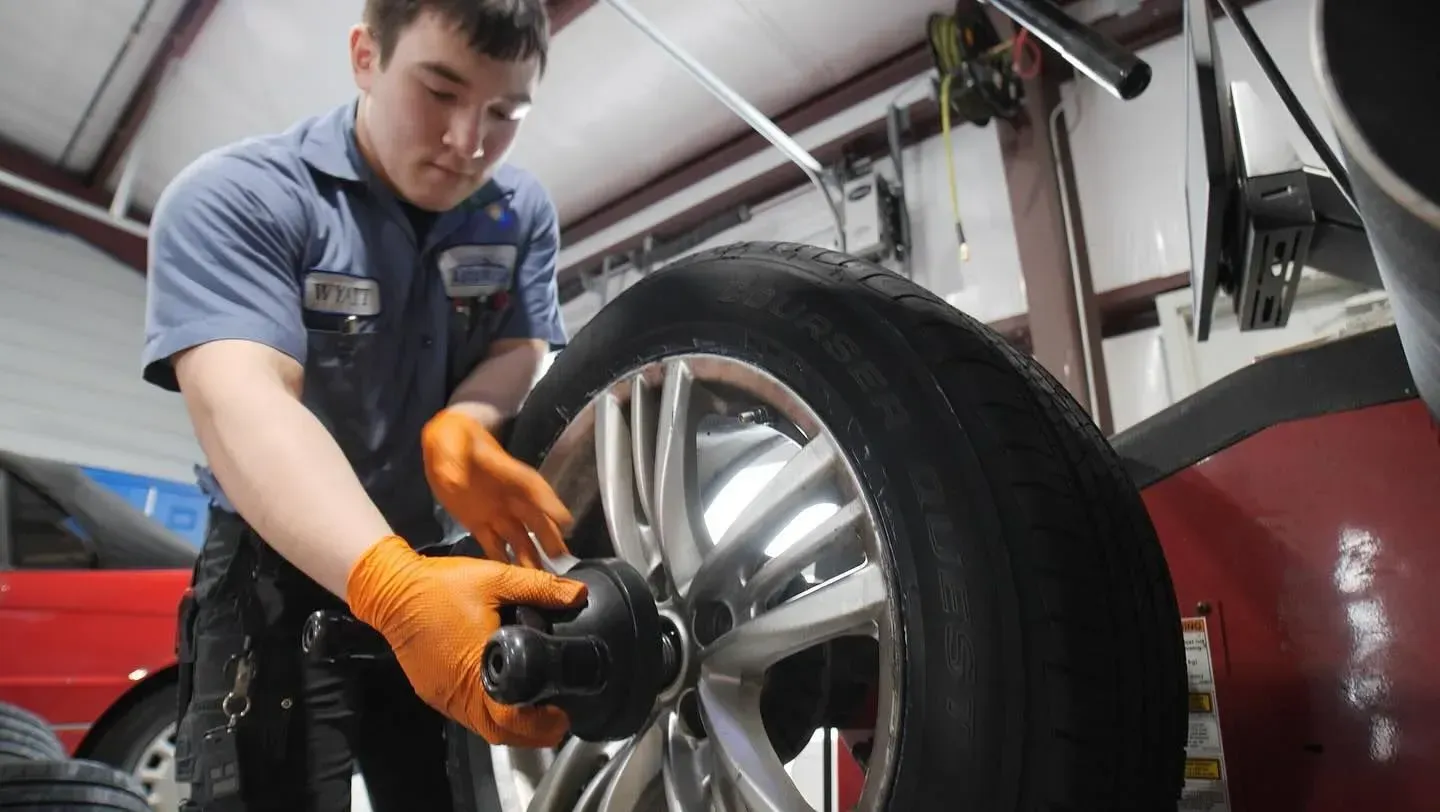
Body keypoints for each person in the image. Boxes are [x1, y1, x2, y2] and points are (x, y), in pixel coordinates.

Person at [140, 1, 589, 808]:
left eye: (504, 111)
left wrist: (469, 419)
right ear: (364, 57)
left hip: (447, 567)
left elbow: (521, 345)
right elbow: (242, 400)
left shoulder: (518, 213)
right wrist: (388, 585)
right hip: (271, 570)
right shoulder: (239, 197)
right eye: (440, 92)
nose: (469, 142)